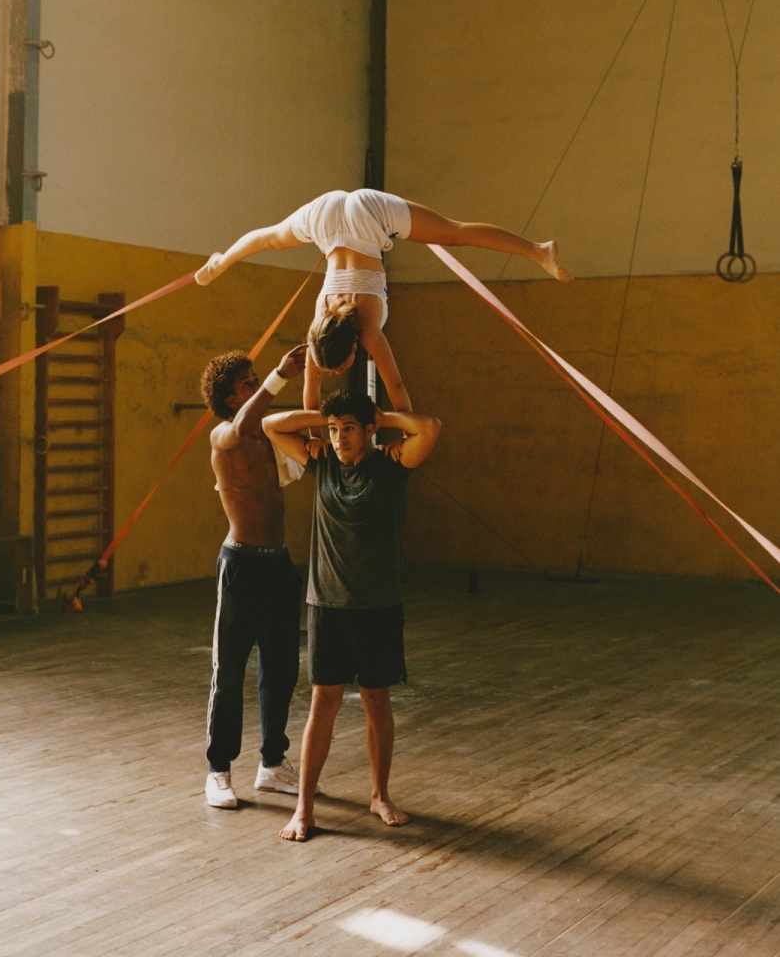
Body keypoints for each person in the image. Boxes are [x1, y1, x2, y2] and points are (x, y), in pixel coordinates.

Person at [195, 188, 572, 412]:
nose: (339, 371)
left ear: (354, 345)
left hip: (365, 217)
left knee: (452, 234)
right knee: (270, 239)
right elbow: (311, 391)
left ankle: (540, 251)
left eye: (340, 367)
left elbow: (396, 388)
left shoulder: (369, 329)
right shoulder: (318, 330)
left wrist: (407, 424)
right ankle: (221, 261)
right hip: (330, 215)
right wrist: (313, 437)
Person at [263, 389, 441, 841]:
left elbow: (430, 428)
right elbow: (270, 425)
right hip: (327, 604)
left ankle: (380, 794)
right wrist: (324, 417)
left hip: (378, 605)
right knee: (323, 702)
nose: (339, 438)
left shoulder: (392, 466)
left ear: (368, 430)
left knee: (376, 701)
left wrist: (383, 417)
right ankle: (304, 808)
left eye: (348, 429)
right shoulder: (321, 461)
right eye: (333, 430)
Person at [199, 343, 309, 810]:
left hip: (278, 564)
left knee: (281, 668)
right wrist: (281, 376)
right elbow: (245, 423)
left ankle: (272, 764)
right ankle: (218, 771)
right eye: (249, 383)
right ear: (229, 398)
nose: (258, 385)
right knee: (229, 672)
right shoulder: (226, 435)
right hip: (241, 564)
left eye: (257, 379)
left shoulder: (264, 436)